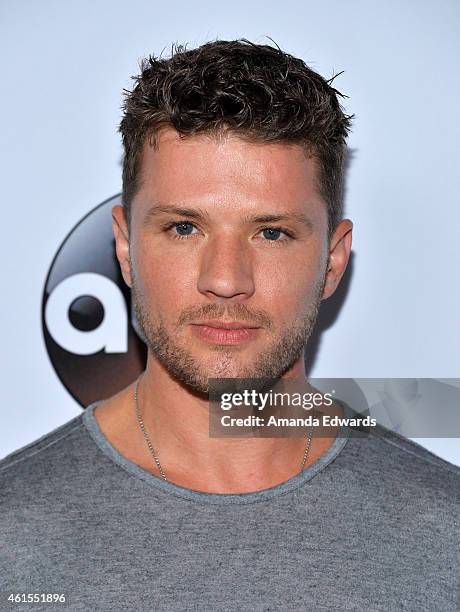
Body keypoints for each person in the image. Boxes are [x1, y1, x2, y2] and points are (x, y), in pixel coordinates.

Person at [1, 39, 458, 612]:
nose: (224, 280)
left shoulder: (447, 534)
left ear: (332, 261)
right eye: (184, 228)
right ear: (124, 247)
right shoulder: (11, 537)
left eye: (271, 233)